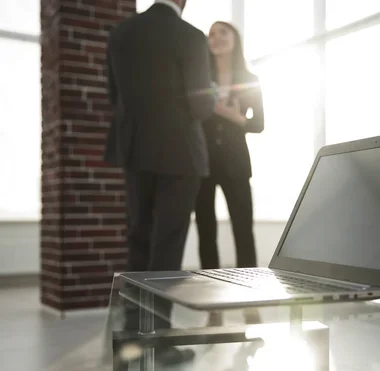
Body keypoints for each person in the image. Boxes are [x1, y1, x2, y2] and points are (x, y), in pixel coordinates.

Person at [104, 0, 215, 365]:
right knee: (166, 249)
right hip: (179, 153)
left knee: (138, 239)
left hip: (134, 148)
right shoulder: (190, 36)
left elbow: (113, 96)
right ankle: (161, 343)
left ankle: (132, 336)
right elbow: (200, 106)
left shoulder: (121, 32)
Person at [195, 21, 264, 271]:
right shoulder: (200, 78)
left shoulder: (250, 79)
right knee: (205, 229)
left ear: (235, 38)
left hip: (236, 163)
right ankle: (208, 286)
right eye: (211, 34)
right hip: (203, 162)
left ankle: (249, 286)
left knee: (243, 227)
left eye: (222, 32)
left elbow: (258, 124)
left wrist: (235, 117)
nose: (216, 37)